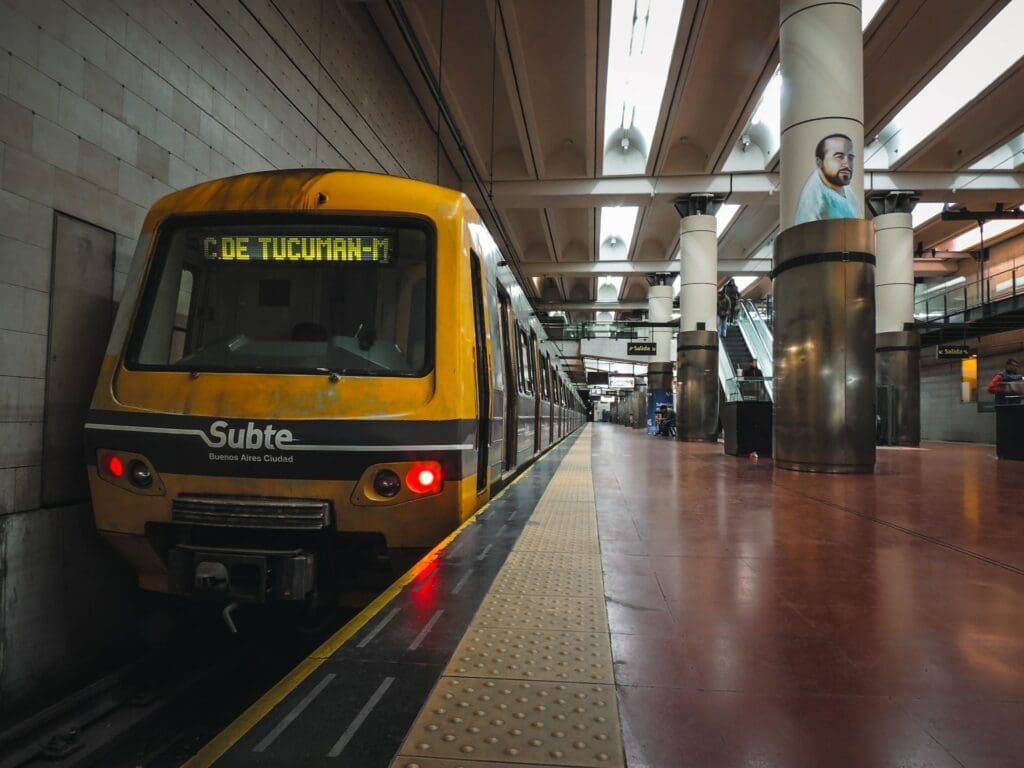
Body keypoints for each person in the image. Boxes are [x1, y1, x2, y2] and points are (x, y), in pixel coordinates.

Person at [793, 133, 859, 225]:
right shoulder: (813, 197)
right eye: (839, 157)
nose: (847, 164)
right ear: (820, 162)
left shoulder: (848, 192)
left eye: (850, 158)